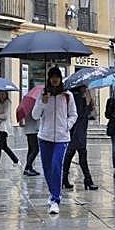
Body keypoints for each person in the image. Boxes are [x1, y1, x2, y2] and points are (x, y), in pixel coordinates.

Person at [31, 67, 77, 215]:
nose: (55, 79)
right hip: (44, 137)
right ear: (49, 78)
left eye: (57, 76)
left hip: (62, 138)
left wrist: (67, 126)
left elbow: (73, 115)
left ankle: (56, 199)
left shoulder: (67, 95)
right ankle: (53, 194)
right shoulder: (43, 94)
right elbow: (35, 115)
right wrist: (42, 102)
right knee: (48, 169)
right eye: (52, 76)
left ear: (61, 78)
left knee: (57, 165)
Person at [63, 86, 97, 190]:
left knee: (70, 157)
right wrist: (87, 103)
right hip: (76, 132)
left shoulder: (81, 97)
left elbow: (89, 114)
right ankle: (88, 180)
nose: (86, 88)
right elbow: (80, 114)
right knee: (79, 157)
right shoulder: (76, 98)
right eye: (85, 87)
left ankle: (64, 179)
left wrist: (91, 103)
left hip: (80, 132)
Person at [18, 93, 41, 176]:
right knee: (35, 150)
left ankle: (29, 168)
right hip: (33, 130)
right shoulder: (34, 106)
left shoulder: (27, 107)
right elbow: (35, 117)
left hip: (29, 130)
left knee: (31, 149)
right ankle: (27, 168)